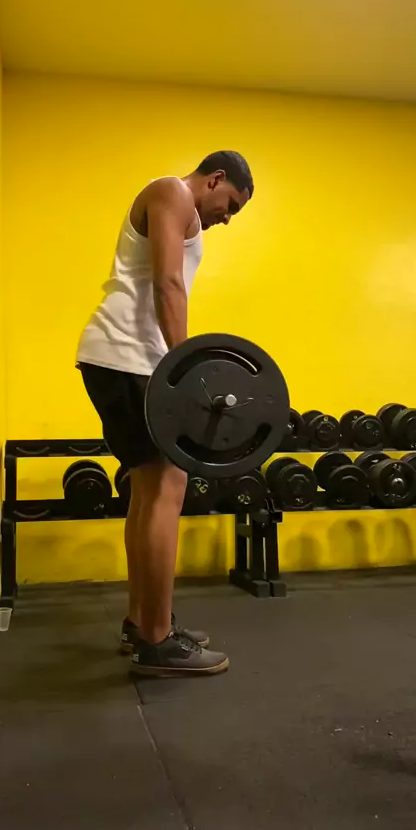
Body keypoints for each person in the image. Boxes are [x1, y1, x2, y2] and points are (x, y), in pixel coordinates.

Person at [77, 151, 254, 676]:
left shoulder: (179, 205)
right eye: (231, 205)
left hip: (125, 360)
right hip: (128, 358)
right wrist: (187, 370)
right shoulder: (171, 192)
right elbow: (168, 283)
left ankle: (142, 622)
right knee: (166, 487)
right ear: (216, 179)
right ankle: (157, 640)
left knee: (149, 490)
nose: (228, 218)